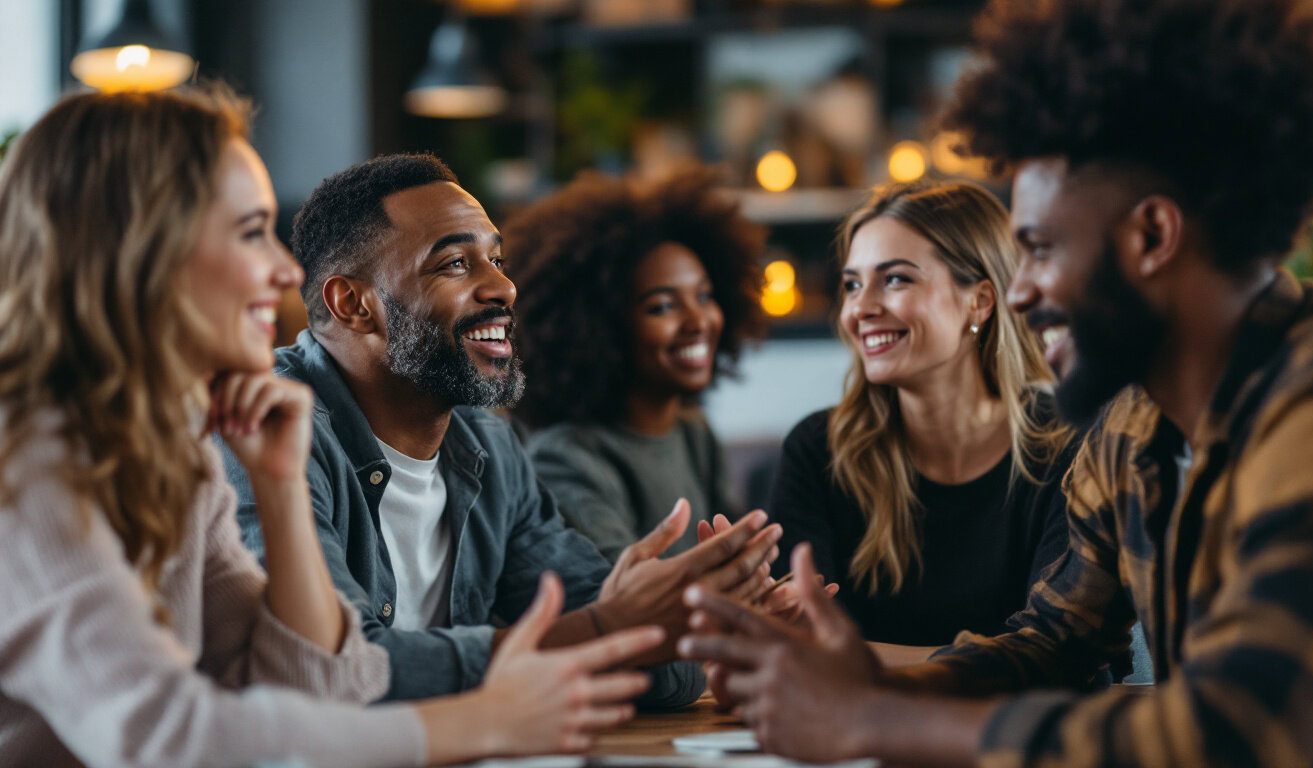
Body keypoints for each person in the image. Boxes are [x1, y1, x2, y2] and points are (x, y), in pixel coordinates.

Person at [679, 0, 1313, 765]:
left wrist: (873, 722)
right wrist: (859, 681)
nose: (1021, 293)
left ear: (1152, 236)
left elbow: (1240, 730)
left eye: (1040, 248)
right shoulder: (1130, 432)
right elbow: (1051, 644)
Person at [0, 86, 671, 768]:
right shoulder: (23, 465)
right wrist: (482, 724)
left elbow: (318, 682)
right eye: (249, 232)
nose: (286, 269)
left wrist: (280, 483)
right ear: (141, 251)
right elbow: (166, 737)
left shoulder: (177, 449)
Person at [223, 153, 782, 705]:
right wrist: (607, 633)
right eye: (455, 265)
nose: (504, 289)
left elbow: (654, 666)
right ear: (353, 304)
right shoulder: (263, 432)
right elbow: (337, 671)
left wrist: (690, 624)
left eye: (497, 259)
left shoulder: (489, 446)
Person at [767, 180, 1076, 662]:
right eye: (852, 284)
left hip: (1018, 737)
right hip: (853, 734)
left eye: (895, 279)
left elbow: (1060, 654)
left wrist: (850, 662)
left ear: (980, 301)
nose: (861, 309)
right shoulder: (818, 450)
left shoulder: (1068, 445)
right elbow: (798, 643)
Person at [503, 167, 765, 562]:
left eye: (705, 296)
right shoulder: (566, 458)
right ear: (597, 326)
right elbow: (627, 596)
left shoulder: (693, 432)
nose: (698, 322)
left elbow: (738, 557)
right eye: (662, 306)